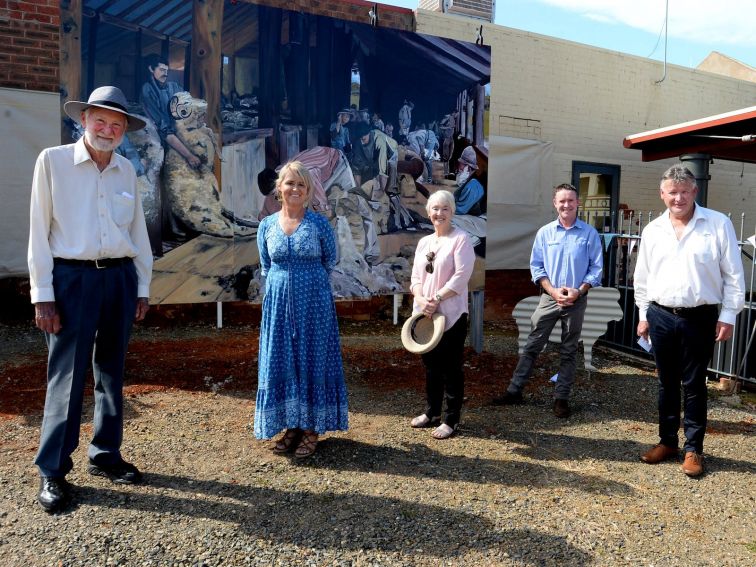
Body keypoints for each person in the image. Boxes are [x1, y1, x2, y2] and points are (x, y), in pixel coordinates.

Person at [28, 86, 153, 513]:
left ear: (123, 132)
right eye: (99, 120)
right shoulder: (53, 162)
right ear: (83, 121)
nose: (107, 129)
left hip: (117, 278)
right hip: (71, 280)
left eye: (116, 125)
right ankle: (53, 471)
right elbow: (38, 234)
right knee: (67, 374)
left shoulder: (126, 171)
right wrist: (42, 297)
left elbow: (137, 234)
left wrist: (142, 286)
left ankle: (105, 454)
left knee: (112, 371)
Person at [635, 164, 745, 477]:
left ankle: (693, 449)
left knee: (694, 384)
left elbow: (734, 275)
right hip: (660, 314)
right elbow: (642, 277)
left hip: (700, 316)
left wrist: (728, 315)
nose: (679, 198)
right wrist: (643, 314)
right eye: (673, 192)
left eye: (684, 192)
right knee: (666, 382)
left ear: (694, 191)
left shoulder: (718, 224)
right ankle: (667, 441)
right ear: (662, 194)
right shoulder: (653, 230)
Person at [254, 161, 349, 458]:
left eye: (301, 185)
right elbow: (266, 266)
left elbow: (329, 260)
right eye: (290, 183)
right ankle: (292, 425)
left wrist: (306, 285)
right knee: (282, 361)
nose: (295, 189)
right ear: (279, 188)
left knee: (312, 361)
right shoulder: (266, 225)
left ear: (308, 192)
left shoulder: (319, 224)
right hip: (279, 306)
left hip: (315, 306)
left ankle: (312, 429)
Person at [491, 183, 603, 418]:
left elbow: (596, 269)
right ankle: (514, 391)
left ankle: (561, 399)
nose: (566, 205)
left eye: (571, 200)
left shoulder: (589, 234)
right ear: (555, 203)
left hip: (576, 300)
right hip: (549, 299)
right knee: (532, 345)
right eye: (562, 201)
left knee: (569, 350)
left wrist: (579, 291)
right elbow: (536, 266)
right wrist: (552, 291)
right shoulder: (545, 233)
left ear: (577, 203)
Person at [409, 190, 475, 439]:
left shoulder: (461, 239)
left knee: (451, 367)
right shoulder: (424, 243)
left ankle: (451, 419)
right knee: (430, 366)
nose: (439, 213)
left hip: (451, 314)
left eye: (445, 208)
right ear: (428, 213)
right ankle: (432, 412)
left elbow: (461, 277)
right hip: (425, 314)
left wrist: (436, 299)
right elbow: (415, 278)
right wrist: (420, 298)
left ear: (452, 211)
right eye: (435, 208)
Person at [139, 53, 200, 169]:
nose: (165, 74)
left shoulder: (174, 87)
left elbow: (189, 109)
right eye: (161, 70)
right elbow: (164, 129)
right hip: (162, 143)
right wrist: (189, 155)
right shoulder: (147, 91)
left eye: (167, 70)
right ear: (151, 69)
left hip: (181, 136)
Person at [453, 146, 485, 216]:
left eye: (460, 167)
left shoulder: (473, 185)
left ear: (468, 168)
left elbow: (459, 210)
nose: (458, 169)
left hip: (473, 220)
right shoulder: (468, 181)